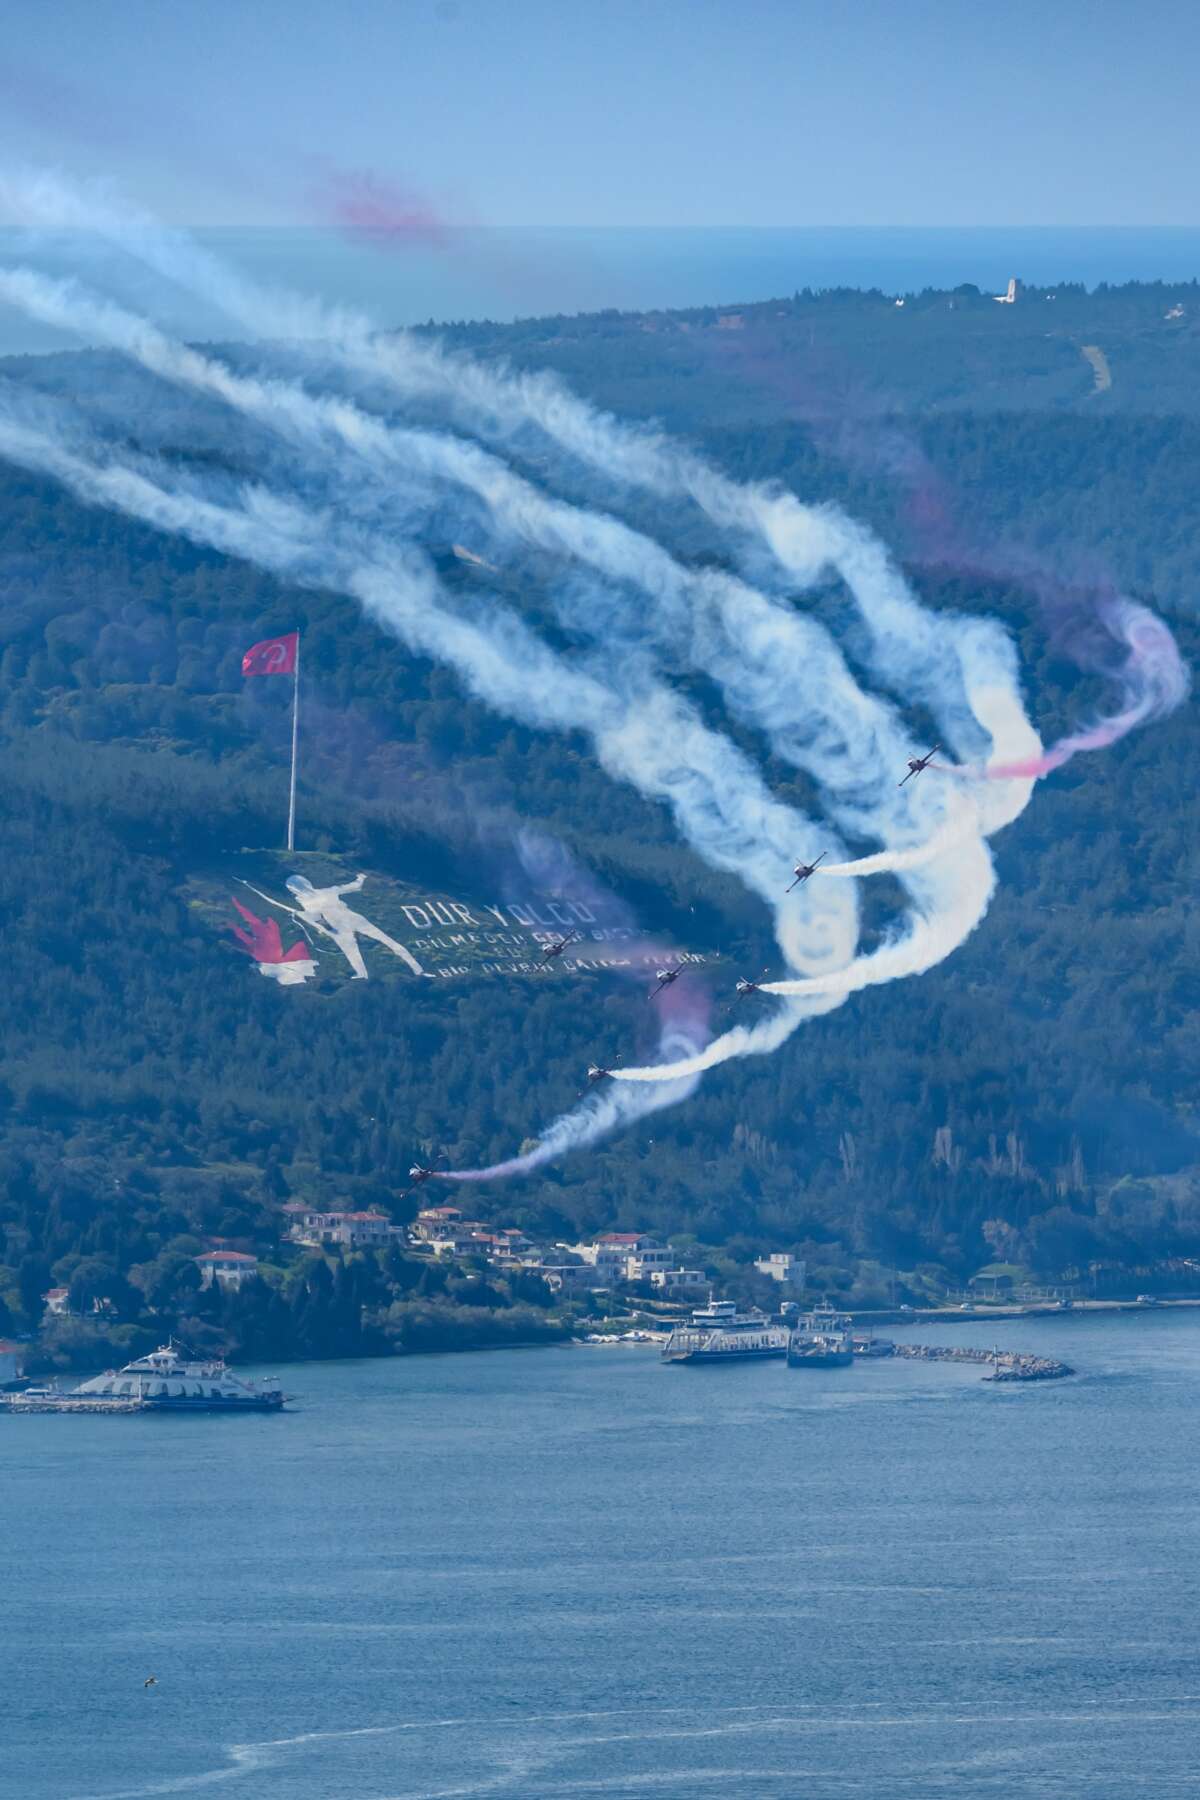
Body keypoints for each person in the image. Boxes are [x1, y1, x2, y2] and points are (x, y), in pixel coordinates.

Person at [243, 873, 425, 980]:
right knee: (387, 943)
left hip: (339, 926)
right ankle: (417, 969)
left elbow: (312, 915)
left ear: (294, 890)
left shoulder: (303, 901)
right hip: (351, 918)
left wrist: (329, 930)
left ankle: (364, 976)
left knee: (356, 952)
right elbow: (354, 886)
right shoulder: (326, 891)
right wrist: (360, 878)